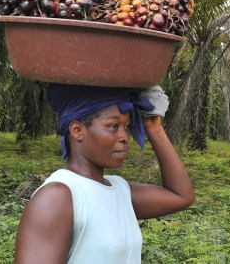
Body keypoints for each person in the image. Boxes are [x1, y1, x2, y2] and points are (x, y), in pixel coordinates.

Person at [14, 83, 195, 264]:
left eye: (127, 126)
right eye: (113, 126)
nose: (125, 136)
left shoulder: (120, 190)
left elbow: (181, 196)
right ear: (77, 130)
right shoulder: (58, 197)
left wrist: (154, 127)